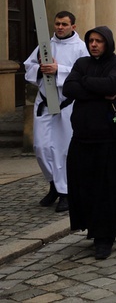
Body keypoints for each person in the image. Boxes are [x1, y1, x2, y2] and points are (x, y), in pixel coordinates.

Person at [62, 26, 116, 260]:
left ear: (107, 43)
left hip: (108, 139)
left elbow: (113, 85)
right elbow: (70, 87)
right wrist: (97, 89)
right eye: (91, 40)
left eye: (99, 41)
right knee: (85, 188)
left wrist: (86, 84)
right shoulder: (82, 64)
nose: (93, 44)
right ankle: (93, 228)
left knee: (107, 190)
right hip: (82, 137)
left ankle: (106, 237)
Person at [23, 11, 88, 212]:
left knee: (63, 149)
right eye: (57, 23)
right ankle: (53, 184)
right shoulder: (46, 45)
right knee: (41, 148)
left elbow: (85, 73)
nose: (60, 27)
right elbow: (28, 67)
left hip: (67, 105)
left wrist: (59, 69)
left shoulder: (80, 48)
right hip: (44, 103)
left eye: (64, 24)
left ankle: (65, 192)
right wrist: (41, 70)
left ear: (73, 27)